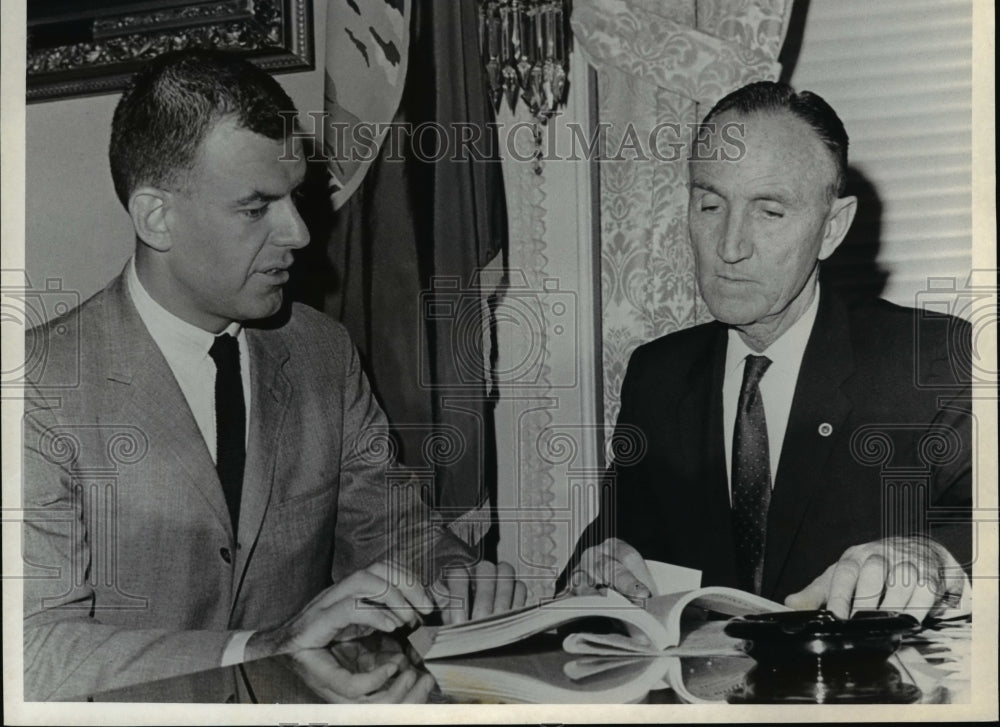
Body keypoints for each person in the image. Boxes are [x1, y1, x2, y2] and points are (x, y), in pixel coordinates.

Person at [22, 49, 525, 702]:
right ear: (156, 217)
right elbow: (33, 649)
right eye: (257, 207)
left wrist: (455, 577)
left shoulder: (322, 351)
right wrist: (261, 647)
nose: (299, 232)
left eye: (296, 197)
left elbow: (389, 529)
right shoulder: (37, 386)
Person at [565, 81, 972, 623]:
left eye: (770, 212)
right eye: (710, 204)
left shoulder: (932, 362)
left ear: (832, 229)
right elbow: (613, 543)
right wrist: (599, 567)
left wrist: (934, 558)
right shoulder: (658, 376)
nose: (730, 246)